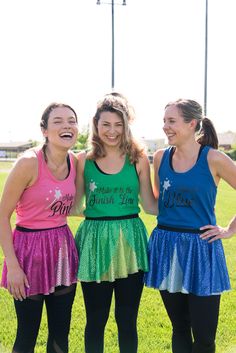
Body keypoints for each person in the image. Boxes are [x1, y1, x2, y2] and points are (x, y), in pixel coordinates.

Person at [145, 98, 236, 353]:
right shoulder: (161, 157)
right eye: (164, 121)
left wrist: (229, 230)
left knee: (205, 337)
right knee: (180, 328)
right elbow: (155, 205)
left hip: (202, 249)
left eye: (171, 121)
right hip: (167, 247)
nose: (166, 127)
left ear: (192, 123)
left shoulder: (214, 158)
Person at [74, 93, 156, 353]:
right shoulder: (82, 160)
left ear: (126, 125)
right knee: (95, 320)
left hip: (130, 241)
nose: (112, 131)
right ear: (96, 125)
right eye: (106, 124)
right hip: (95, 242)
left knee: (127, 319)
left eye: (118, 125)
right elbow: (75, 205)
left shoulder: (139, 159)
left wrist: (191, 207)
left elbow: (150, 205)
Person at [0, 103, 79, 353]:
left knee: (60, 335)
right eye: (58, 121)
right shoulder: (28, 163)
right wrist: (12, 265)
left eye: (71, 120)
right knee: (26, 336)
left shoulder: (75, 161)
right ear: (44, 130)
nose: (67, 125)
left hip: (63, 249)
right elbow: (2, 214)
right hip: (29, 251)